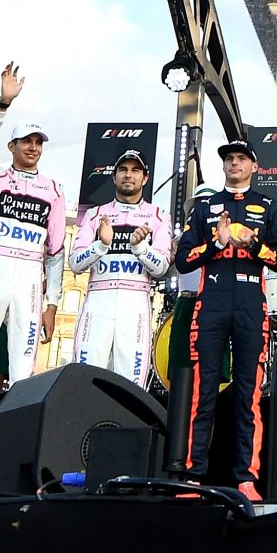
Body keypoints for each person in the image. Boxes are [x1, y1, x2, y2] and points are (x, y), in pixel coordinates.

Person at [0, 64, 68, 435]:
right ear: (13, 147)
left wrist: (52, 305)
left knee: (24, 372)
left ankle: (15, 455)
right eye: (27, 142)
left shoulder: (53, 189)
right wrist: (2, 104)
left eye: (39, 143)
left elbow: (56, 252)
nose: (34, 148)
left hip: (29, 279)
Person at [176, 139, 277, 499]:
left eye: (241, 158)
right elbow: (184, 260)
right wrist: (217, 245)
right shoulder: (206, 207)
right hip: (213, 302)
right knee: (202, 393)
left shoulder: (267, 207)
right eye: (229, 159)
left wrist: (253, 246)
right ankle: (194, 475)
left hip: (252, 303)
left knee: (247, 395)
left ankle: (246, 478)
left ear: (254, 166)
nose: (234, 163)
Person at [70, 150, 172, 385]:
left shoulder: (158, 216)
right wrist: (101, 245)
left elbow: (162, 267)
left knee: (131, 383)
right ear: (114, 177)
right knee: (86, 379)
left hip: (135, 303)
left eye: (135, 170)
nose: (129, 175)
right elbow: (75, 264)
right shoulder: (96, 214)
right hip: (98, 300)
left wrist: (140, 248)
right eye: (123, 170)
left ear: (145, 178)